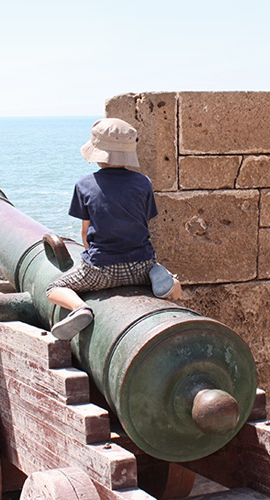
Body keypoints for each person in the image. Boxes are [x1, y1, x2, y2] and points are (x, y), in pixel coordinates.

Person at [45, 117, 181, 341]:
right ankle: (164, 280)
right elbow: (144, 222)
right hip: (141, 265)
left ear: (97, 152)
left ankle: (80, 309)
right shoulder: (143, 182)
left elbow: (85, 233)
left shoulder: (85, 185)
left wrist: (90, 258)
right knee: (173, 284)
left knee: (54, 288)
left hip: (101, 269)